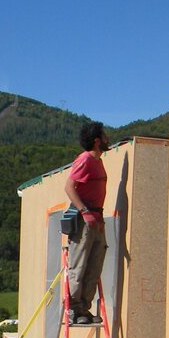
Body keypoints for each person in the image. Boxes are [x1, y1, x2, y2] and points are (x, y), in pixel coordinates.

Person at [63, 122, 109, 325]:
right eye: (104, 136)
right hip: (85, 220)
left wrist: (96, 217)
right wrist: (85, 212)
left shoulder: (98, 161)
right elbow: (69, 187)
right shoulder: (85, 160)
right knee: (79, 265)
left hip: (97, 219)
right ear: (97, 140)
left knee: (94, 265)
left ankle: (84, 310)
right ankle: (73, 310)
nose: (108, 139)